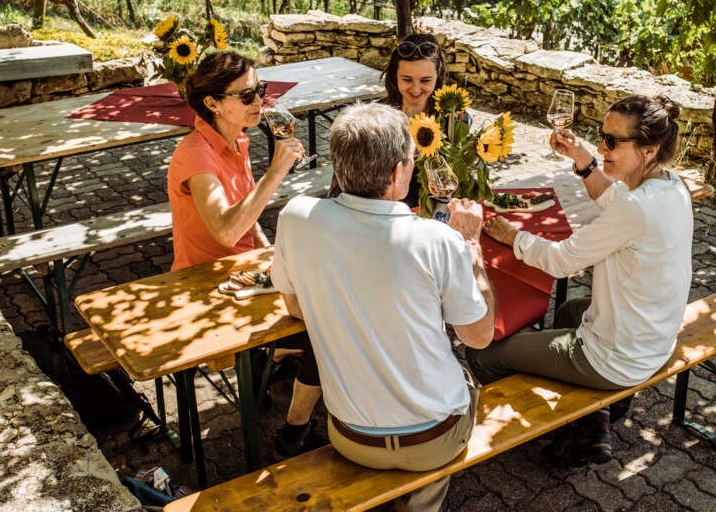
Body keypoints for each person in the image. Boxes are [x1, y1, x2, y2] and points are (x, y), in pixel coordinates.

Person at [272, 102, 496, 512]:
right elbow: (479, 337)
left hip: (350, 436)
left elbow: (294, 305)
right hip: (431, 441)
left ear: (338, 169)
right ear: (399, 172)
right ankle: (420, 503)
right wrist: (472, 248)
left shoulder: (297, 216)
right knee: (465, 375)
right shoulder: (437, 239)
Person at [473, 94, 693, 467]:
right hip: (655, 339)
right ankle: (593, 423)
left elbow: (562, 262)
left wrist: (513, 238)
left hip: (620, 358)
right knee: (572, 309)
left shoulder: (635, 207)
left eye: (612, 141)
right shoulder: (671, 186)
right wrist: (582, 160)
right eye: (600, 135)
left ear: (649, 149)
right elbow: (612, 199)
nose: (602, 146)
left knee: (483, 354)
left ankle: (523, 428)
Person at [166, 51, 324, 459]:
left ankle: (269, 377)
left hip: (243, 273)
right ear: (213, 103)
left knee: (328, 310)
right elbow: (225, 230)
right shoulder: (195, 154)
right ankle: (290, 433)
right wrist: (276, 172)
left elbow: (245, 214)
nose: (260, 102)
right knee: (322, 335)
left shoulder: (236, 138)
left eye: (261, 90)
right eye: (248, 95)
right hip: (204, 282)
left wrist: (272, 254)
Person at [329, 33, 466, 208]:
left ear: (438, 76)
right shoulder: (373, 117)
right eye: (407, 80)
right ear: (394, 76)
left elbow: (461, 177)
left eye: (426, 80)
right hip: (379, 213)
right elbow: (345, 176)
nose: (416, 89)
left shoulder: (456, 119)